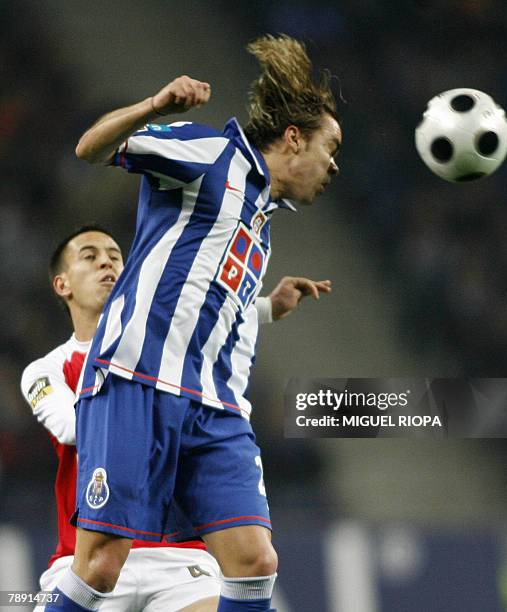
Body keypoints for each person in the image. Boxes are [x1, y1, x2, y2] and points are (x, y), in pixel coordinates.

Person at [48, 34, 341, 612]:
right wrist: (155, 108)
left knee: (256, 562)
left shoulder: (260, 220)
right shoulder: (210, 156)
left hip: (215, 407)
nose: (335, 164)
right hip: (136, 382)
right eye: (330, 147)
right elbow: (90, 148)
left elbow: (201, 307)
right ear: (292, 138)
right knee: (102, 565)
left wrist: (267, 308)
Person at [24, 225, 331, 611]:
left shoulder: (163, 348)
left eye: (116, 256)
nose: (107, 262)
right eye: (89, 256)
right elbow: (72, 429)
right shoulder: (47, 370)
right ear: (62, 284)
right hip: (88, 556)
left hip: (177, 557)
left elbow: (204, 315)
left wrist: (266, 308)